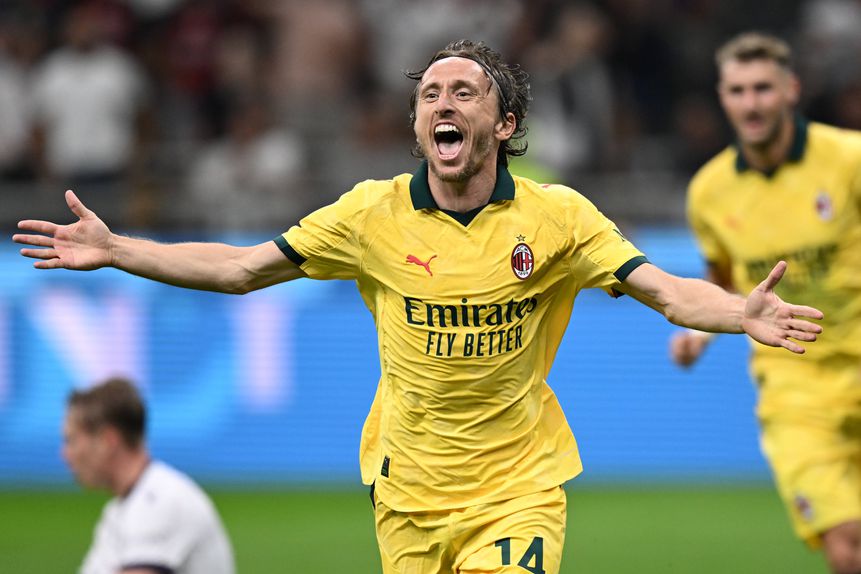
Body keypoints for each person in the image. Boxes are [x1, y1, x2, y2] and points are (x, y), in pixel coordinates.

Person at [18, 40, 823, 574]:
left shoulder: (558, 219)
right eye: (430, 93)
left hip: (516, 486)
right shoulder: (369, 215)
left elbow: (667, 291)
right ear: (416, 125)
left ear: (502, 124)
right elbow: (238, 268)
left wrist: (738, 314)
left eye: (464, 92)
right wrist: (119, 249)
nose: (444, 102)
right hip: (406, 491)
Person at [669, 32, 861, 574]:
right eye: (737, 91)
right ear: (722, 97)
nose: (750, 104)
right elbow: (722, 279)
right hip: (795, 388)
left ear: (791, 90)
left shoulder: (849, 159)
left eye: (762, 88)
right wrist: (700, 334)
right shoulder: (709, 192)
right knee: (846, 543)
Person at [62, 377, 235, 574]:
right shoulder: (119, 511)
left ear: (108, 440)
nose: (65, 454)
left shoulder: (161, 501)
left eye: (72, 440)